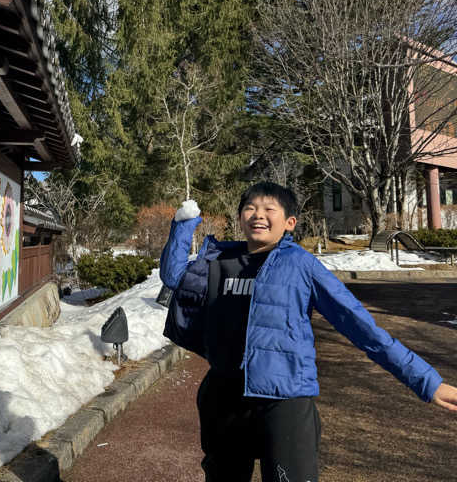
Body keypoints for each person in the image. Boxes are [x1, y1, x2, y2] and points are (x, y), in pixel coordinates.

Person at [159, 181, 457, 482]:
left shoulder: (301, 265)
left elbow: (361, 326)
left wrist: (427, 382)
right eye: (249, 208)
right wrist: (184, 224)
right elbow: (173, 277)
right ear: (240, 218)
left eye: (268, 209)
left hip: (284, 397)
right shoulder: (219, 259)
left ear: (290, 223)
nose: (257, 214)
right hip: (224, 396)